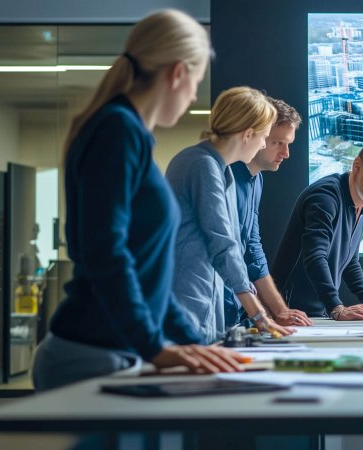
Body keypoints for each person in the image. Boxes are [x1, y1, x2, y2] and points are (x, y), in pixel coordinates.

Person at [34, 10, 245, 392]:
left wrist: (195, 345)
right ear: (178, 72)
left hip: (115, 351)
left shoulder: (129, 133)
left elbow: (152, 283)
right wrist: (155, 347)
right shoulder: (117, 129)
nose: (194, 95)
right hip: (90, 353)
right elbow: (107, 253)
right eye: (196, 82)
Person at [166, 86, 293, 343]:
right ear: (248, 134)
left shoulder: (222, 170)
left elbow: (236, 245)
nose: (261, 145)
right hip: (188, 299)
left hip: (208, 303)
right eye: (264, 137)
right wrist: (259, 314)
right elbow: (223, 244)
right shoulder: (201, 164)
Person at [271, 138, 363, 320]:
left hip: (315, 313)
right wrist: (336, 307)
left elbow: (350, 262)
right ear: (357, 165)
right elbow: (315, 256)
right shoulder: (325, 198)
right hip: (286, 311)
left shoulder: (362, 203)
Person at [224, 97, 314, 327]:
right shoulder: (225, 176)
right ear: (258, 135)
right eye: (277, 143)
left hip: (236, 303)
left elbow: (252, 249)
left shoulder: (257, 179)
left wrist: (281, 311)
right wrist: (261, 313)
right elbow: (224, 250)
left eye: (289, 144)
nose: (286, 153)